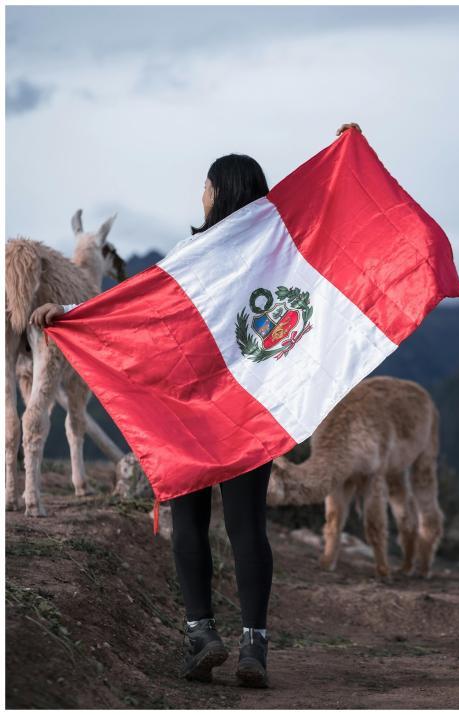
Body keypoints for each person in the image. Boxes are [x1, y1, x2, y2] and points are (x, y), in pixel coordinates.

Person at [29, 122, 362, 689]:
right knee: (246, 526)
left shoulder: (193, 254)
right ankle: (253, 646)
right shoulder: (279, 249)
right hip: (249, 413)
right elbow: (337, 239)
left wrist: (69, 312)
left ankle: (200, 633)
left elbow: (137, 308)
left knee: (190, 518)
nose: (200, 193)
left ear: (217, 192)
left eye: (206, 185)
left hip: (185, 414)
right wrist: (341, 164)